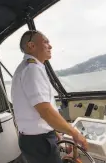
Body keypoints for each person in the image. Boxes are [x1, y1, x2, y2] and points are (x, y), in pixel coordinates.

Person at [11, 30, 88, 163]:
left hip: (32, 140)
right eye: (45, 42)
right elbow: (45, 111)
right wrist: (75, 133)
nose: (50, 46)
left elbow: (35, 111)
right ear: (31, 46)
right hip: (40, 142)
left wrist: (53, 130)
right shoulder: (32, 69)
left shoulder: (25, 68)